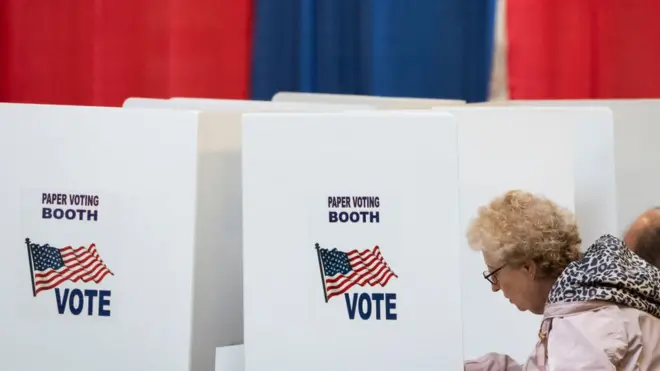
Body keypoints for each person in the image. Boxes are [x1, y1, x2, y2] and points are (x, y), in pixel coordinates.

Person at [464, 190, 660, 370]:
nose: (494, 287)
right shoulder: (591, 297)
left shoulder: (582, 321)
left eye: (494, 274)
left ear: (527, 267)